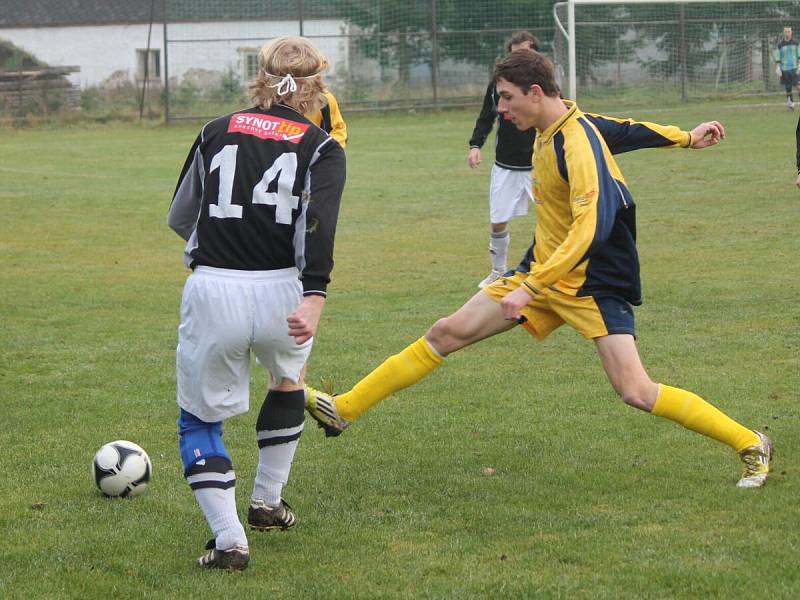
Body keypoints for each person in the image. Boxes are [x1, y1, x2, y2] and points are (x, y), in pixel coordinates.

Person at [305, 50, 773, 491]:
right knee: (446, 332)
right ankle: (344, 408)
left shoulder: (578, 145)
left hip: (591, 282)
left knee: (636, 390)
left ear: (535, 91)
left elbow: (592, 229)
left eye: (506, 98)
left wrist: (532, 287)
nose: (502, 110)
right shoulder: (563, 122)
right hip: (544, 271)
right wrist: (687, 137)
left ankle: (750, 442)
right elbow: (628, 129)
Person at [167, 36, 346, 570]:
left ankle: (228, 541)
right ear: (318, 85)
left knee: (198, 418)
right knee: (288, 382)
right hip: (286, 290)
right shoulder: (322, 145)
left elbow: (182, 216)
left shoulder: (214, 130)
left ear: (259, 76)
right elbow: (320, 227)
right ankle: (267, 501)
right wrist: (314, 293)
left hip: (215, 286)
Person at [469, 31, 539, 289]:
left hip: (539, 165)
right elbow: (486, 116)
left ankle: (556, 269)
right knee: (498, 220)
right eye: (515, 53)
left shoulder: (543, 86)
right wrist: (475, 145)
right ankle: (498, 272)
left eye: (526, 53)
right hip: (506, 166)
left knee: (555, 217)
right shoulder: (498, 85)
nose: (520, 58)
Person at [774, 26, 800, 111]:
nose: (787, 33)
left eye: (789, 31)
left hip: (795, 68)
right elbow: (777, 56)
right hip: (784, 69)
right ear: (783, 32)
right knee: (788, 88)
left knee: (798, 86)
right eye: (785, 31)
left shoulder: (796, 43)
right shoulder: (780, 45)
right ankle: (791, 105)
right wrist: (777, 67)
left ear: (791, 32)